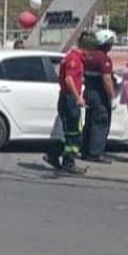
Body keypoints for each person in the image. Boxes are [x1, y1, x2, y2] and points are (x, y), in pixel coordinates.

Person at [44, 31, 93, 174]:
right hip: (70, 99)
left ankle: (53, 155)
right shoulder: (74, 59)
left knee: (67, 132)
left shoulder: (68, 57)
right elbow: (69, 80)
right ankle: (68, 163)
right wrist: (78, 97)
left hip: (65, 97)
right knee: (74, 133)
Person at [81, 29, 117, 163]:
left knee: (90, 122)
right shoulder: (103, 58)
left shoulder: (89, 56)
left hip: (89, 92)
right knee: (101, 122)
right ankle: (95, 153)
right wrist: (112, 97)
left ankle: (85, 150)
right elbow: (106, 79)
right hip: (99, 94)